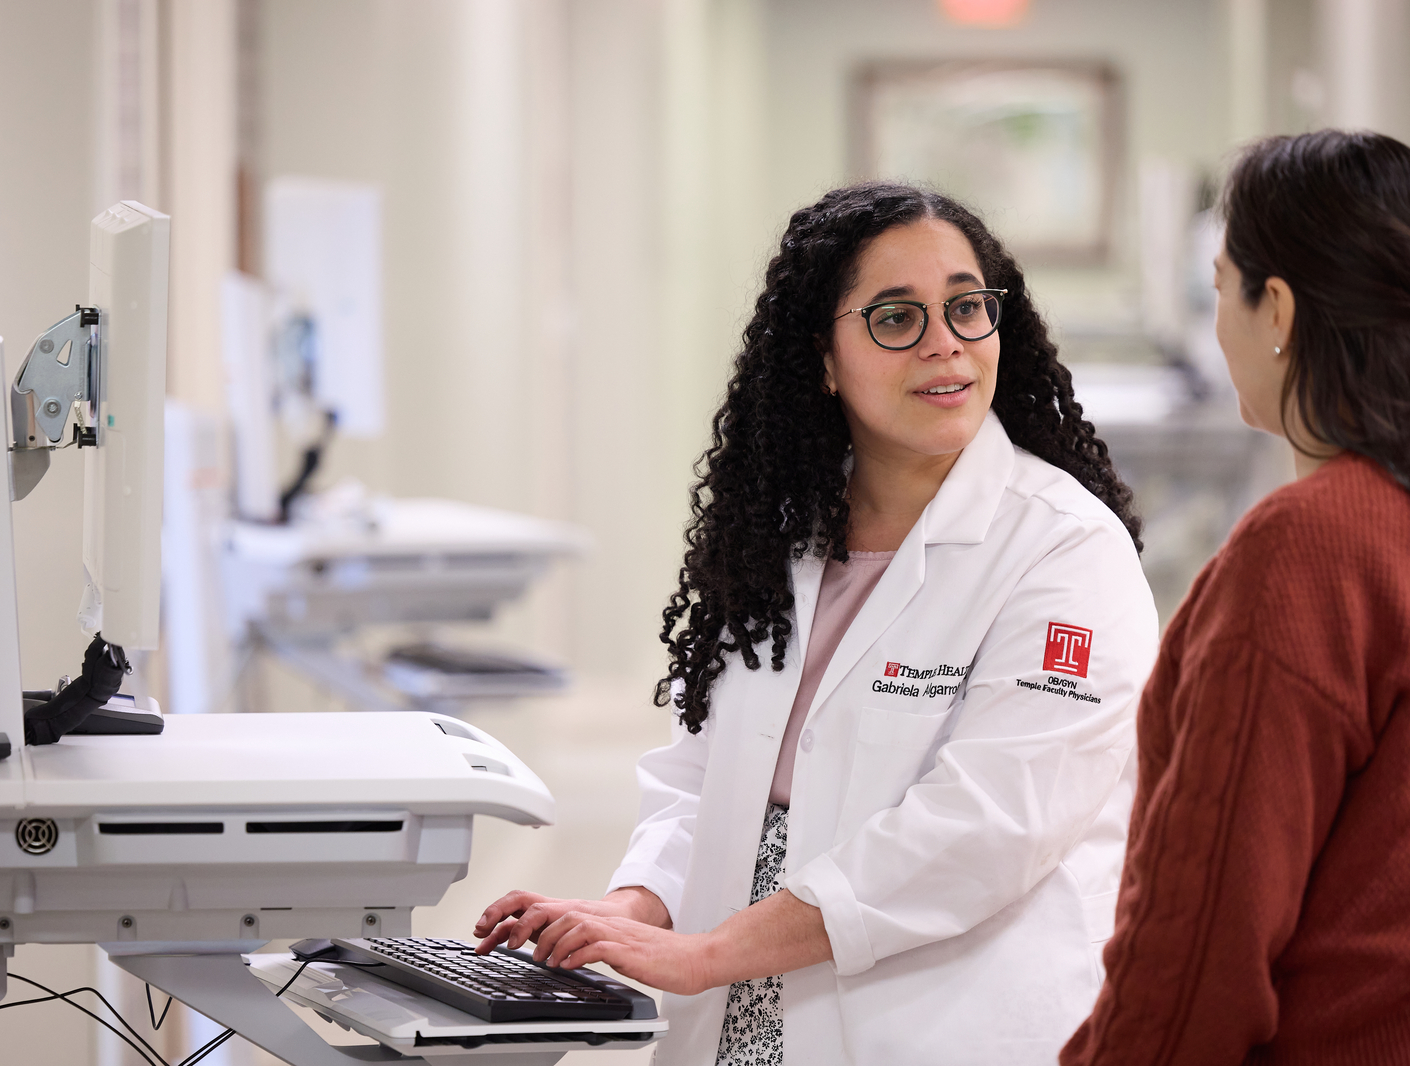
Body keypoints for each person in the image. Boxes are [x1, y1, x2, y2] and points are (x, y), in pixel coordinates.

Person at [476, 182, 1159, 1065]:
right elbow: (704, 773)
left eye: (965, 308)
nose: (945, 343)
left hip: (939, 1022)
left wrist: (708, 952)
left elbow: (987, 828)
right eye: (895, 318)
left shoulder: (1064, 550)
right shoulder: (781, 531)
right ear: (823, 357)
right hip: (741, 1015)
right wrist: (638, 904)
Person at [1061, 130, 1410, 1066]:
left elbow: (1201, 944)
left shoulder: (1307, 556)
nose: (1216, 318)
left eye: (1221, 286)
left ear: (1281, 312)